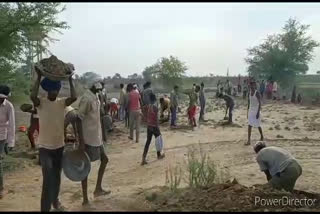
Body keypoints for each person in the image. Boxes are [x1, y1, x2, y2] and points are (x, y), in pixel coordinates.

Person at [30, 69, 77, 211]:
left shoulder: (62, 103)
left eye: (56, 90)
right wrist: (38, 77)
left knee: (56, 177)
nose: (54, 92)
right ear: (47, 91)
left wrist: (70, 79)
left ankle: (55, 202)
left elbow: (74, 97)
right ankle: (45, 208)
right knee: (47, 179)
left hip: (59, 147)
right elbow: (33, 95)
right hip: (45, 149)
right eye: (51, 90)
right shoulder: (41, 103)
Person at [76, 82, 110, 205]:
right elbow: (78, 119)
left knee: (104, 160)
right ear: (93, 85)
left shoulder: (95, 96)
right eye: (99, 86)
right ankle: (85, 198)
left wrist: (103, 134)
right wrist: (81, 141)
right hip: (88, 138)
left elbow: (98, 116)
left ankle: (98, 189)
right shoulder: (87, 98)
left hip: (97, 137)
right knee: (85, 168)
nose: (101, 88)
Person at [141, 93, 165, 165]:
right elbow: (156, 118)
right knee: (158, 139)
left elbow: (145, 114)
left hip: (149, 126)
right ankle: (158, 155)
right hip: (154, 126)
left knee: (148, 142)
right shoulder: (155, 107)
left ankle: (143, 158)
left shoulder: (149, 106)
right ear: (155, 99)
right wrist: (157, 126)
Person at [0, 86, 15, 199]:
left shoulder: (9, 106)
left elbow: (11, 125)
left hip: (1, 136)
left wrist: (10, 143)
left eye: (3, 98)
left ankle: (0, 188)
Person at [245, 81, 264, 146]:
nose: (251, 86)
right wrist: (247, 112)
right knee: (249, 125)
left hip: (256, 110)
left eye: (252, 85)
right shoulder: (249, 93)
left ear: (254, 86)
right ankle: (249, 140)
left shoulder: (257, 93)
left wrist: (258, 112)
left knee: (258, 125)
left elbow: (260, 103)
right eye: (250, 85)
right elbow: (248, 103)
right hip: (251, 110)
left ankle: (262, 136)